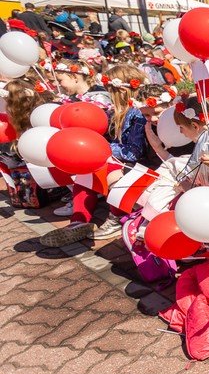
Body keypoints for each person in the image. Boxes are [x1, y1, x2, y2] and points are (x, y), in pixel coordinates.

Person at [40, 65, 150, 248]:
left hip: (139, 166)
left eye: (110, 91)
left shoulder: (137, 113)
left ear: (121, 90)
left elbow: (133, 152)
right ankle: (79, 219)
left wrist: (100, 147)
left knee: (106, 167)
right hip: (122, 161)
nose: (108, 95)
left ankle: (117, 217)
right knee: (87, 169)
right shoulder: (119, 110)